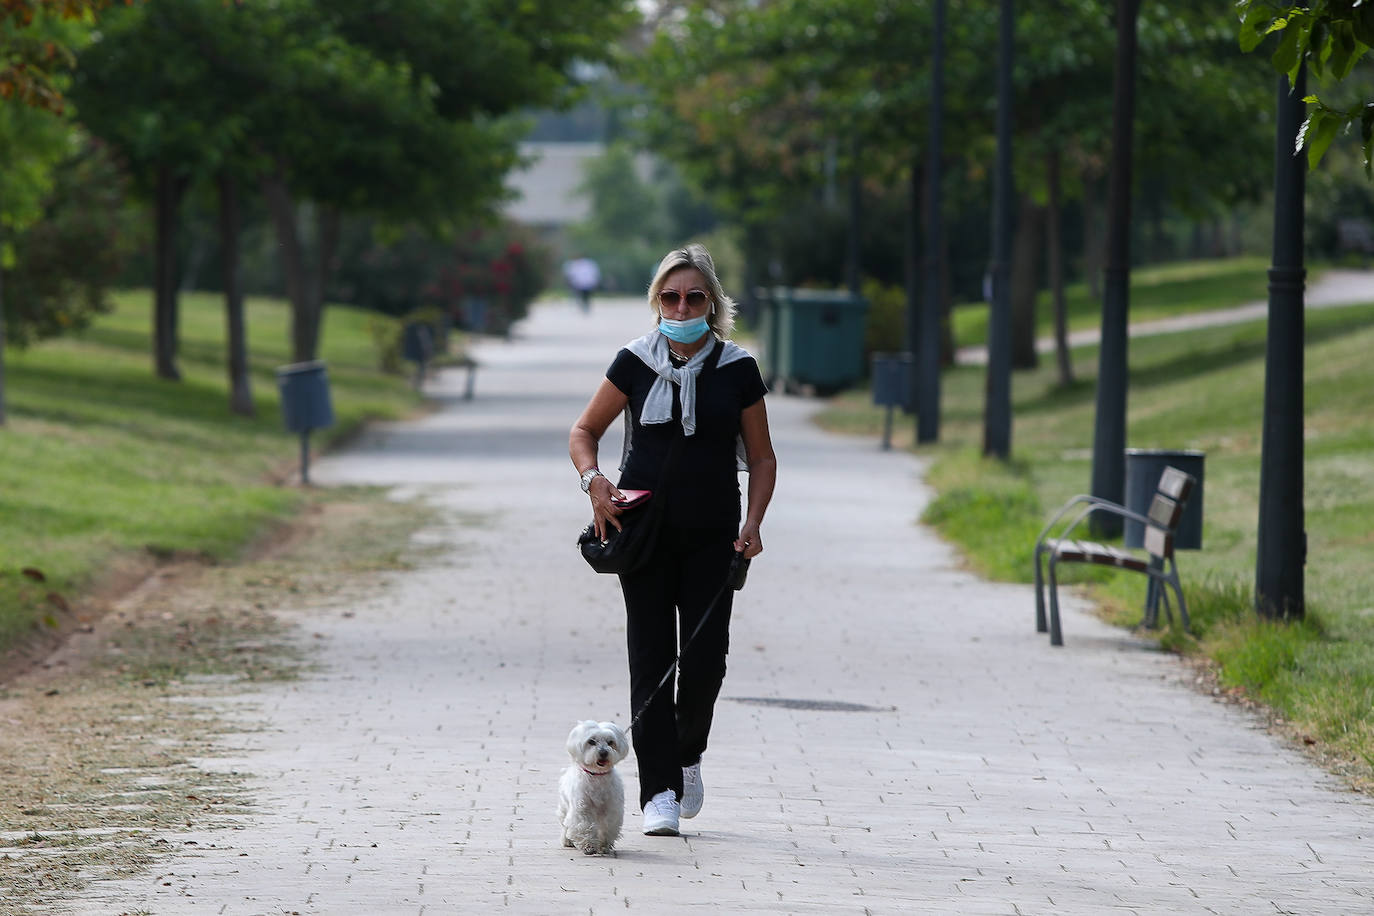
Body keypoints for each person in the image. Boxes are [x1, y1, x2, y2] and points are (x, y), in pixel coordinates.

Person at [569, 244, 777, 837]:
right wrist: (594, 481)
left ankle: (688, 756)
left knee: (706, 659)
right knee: (651, 656)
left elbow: (761, 459)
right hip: (644, 531)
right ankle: (658, 790)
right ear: (656, 301)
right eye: (670, 296)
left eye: (693, 296)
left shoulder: (737, 368)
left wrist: (753, 525)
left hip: (715, 532)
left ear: (712, 304)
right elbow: (584, 431)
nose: (681, 305)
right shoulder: (633, 362)